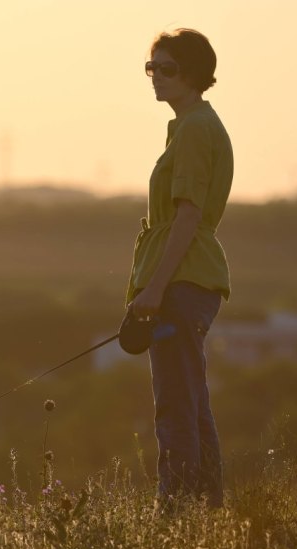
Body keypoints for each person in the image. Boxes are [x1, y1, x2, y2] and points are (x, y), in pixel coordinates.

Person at [126, 28, 233, 509]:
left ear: (193, 72)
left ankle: (177, 510)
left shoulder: (194, 128)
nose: (156, 77)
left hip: (182, 281)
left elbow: (188, 216)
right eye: (152, 67)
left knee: (174, 402)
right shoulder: (193, 125)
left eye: (167, 68)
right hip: (190, 279)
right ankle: (206, 507)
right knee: (192, 401)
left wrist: (154, 289)